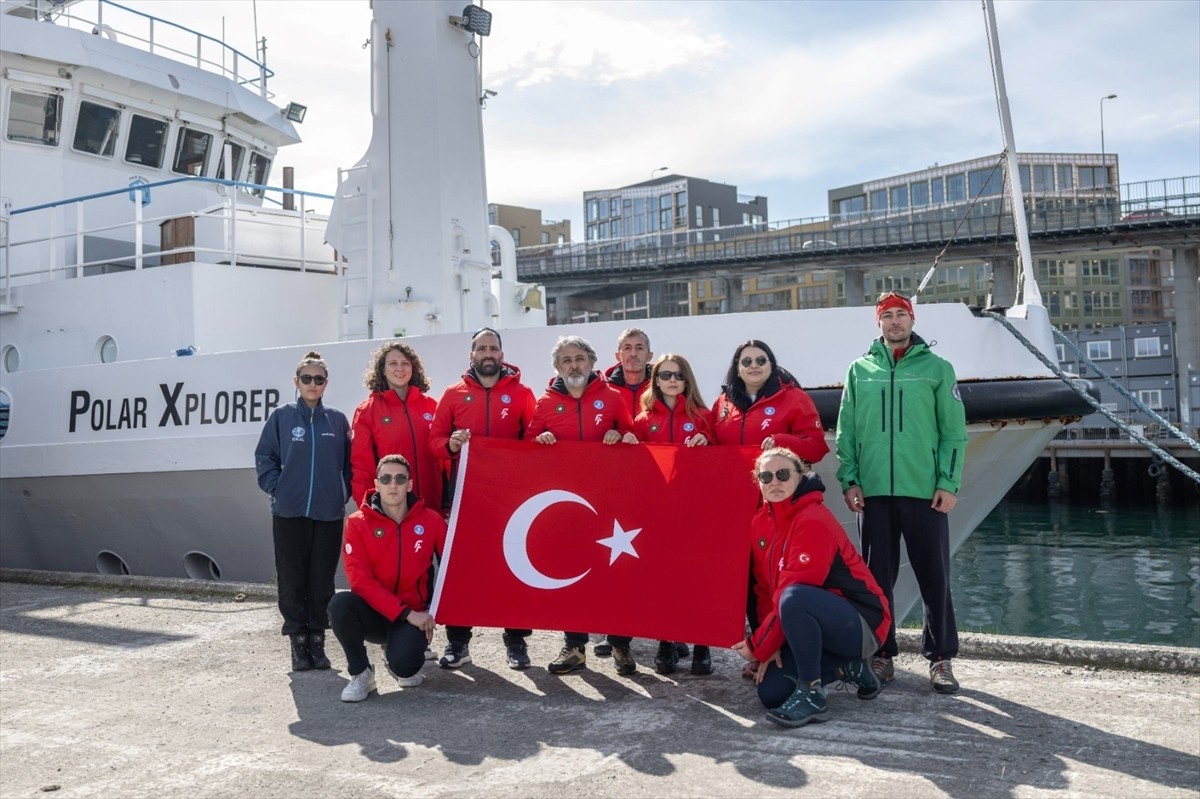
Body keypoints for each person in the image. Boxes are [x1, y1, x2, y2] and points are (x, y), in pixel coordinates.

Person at [836, 290, 968, 694]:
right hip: (873, 493)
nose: (894, 322)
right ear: (878, 323)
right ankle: (882, 653)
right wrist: (850, 479)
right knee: (876, 579)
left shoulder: (937, 369)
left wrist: (948, 483)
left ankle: (941, 658)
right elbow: (847, 431)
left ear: (912, 320)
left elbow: (953, 433)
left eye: (901, 315)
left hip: (924, 491)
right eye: (887, 316)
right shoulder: (859, 371)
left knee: (935, 576)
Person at [732, 448, 891, 728]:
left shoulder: (813, 519)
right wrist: (770, 648)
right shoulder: (760, 522)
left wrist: (758, 645)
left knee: (795, 595)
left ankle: (813, 695)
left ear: (801, 476)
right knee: (771, 693)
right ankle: (848, 668)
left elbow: (793, 592)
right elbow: (765, 591)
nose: (774, 482)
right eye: (765, 476)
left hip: (861, 621)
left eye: (783, 474)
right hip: (809, 621)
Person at [712, 339, 829, 678]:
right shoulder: (723, 404)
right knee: (744, 580)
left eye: (761, 359)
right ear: (737, 367)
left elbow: (817, 446)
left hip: (778, 504)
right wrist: (702, 440)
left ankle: (780, 647)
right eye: (746, 360)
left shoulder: (793, 399)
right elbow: (713, 438)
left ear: (771, 364)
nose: (754, 365)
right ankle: (759, 646)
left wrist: (782, 441)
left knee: (773, 576)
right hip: (735, 508)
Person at [429, 327, 537, 670]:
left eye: (493, 348)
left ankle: (516, 642)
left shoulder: (522, 393)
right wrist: (451, 445)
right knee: (463, 568)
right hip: (465, 498)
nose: (487, 353)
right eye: (481, 348)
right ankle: (458, 642)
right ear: (471, 354)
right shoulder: (453, 394)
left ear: (502, 355)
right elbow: (435, 440)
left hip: (510, 498)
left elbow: (534, 440)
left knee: (513, 566)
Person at [531, 335, 638, 675]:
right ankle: (575, 646)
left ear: (592, 362)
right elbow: (525, 447)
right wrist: (541, 440)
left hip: (610, 502)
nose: (573, 365)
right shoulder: (545, 403)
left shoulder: (613, 398)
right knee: (571, 573)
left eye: (579, 358)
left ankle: (620, 644)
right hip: (567, 505)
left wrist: (620, 436)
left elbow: (634, 438)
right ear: (557, 367)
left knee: (615, 575)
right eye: (566, 360)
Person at [255, 351, 351, 673]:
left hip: (328, 513)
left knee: (321, 580)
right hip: (289, 511)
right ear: (296, 382)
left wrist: (343, 492)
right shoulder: (282, 418)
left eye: (318, 379)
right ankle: (298, 641)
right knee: (292, 578)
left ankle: (317, 641)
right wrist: (277, 488)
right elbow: (265, 455)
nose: (312, 384)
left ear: (326, 384)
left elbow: (350, 465)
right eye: (306, 378)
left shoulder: (336, 420)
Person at [329, 454, 448, 702]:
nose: (393, 484)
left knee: (406, 670)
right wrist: (406, 613)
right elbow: (360, 582)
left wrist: (433, 612)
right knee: (340, 604)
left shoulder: (431, 521)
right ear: (377, 483)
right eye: (386, 478)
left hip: (412, 617)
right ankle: (361, 673)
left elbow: (453, 566)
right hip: (376, 615)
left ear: (410, 484)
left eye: (400, 478)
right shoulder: (356, 523)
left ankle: (394, 655)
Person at [629, 353, 714, 676]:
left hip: (695, 512)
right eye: (665, 375)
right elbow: (631, 463)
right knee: (663, 579)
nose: (672, 380)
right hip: (657, 514)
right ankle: (666, 641)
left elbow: (722, 458)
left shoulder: (704, 416)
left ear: (687, 379)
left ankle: (702, 645)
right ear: (656, 380)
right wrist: (624, 442)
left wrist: (708, 442)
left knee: (696, 579)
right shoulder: (642, 419)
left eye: (678, 374)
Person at [350, 342, 442, 512]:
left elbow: (445, 461)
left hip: (432, 506)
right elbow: (362, 466)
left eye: (405, 363)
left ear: (413, 368)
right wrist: (368, 509)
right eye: (393, 363)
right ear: (382, 370)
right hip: (392, 511)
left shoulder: (432, 406)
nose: (400, 368)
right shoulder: (367, 411)